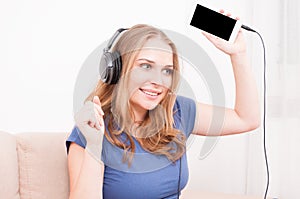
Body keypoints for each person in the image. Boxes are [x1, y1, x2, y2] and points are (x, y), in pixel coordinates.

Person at [66, 13, 260, 199]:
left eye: (167, 71)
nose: (158, 80)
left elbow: (246, 119)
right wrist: (94, 146)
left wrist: (239, 54)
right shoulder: (92, 129)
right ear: (116, 69)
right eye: (146, 66)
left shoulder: (177, 111)